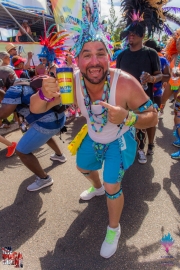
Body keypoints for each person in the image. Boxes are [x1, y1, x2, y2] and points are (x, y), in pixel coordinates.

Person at [30, 0, 158, 259]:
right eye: (87, 54)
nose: (95, 60)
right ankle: (96, 186)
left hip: (119, 139)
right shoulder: (70, 82)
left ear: (109, 56)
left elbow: (153, 117)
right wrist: (44, 94)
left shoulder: (125, 83)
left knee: (113, 185)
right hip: (93, 135)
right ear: (77, 60)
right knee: (83, 167)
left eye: (101, 53)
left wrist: (128, 117)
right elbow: (35, 109)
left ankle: (114, 228)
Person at [0, 59, 67, 192]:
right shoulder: (24, 80)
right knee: (45, 136)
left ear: (10, 76)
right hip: (59, 118)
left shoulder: (14, 89)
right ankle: (60, 156)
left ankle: (44, 179)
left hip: (46, 124)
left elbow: (3, 113)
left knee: (21, 150)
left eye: (1, 80)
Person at [116, 0, 164, 164]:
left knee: (147, 122)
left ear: (142, 35)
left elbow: (161, 76)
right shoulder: (121, 55)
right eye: (129, 33)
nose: (131, 35)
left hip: (145, 96)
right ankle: (134, 148)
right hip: (125, 99)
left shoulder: (151, 53)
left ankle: (148, 146)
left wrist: (152, 78)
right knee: (129, 123)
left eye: (134, 33)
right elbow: (117, 77)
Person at [143, 39, 170, 110]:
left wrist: (155, 78)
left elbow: (168, 76)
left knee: (154, 114)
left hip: (156, 93)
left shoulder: (162, 60)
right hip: (143, 94)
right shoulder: (140, 60)